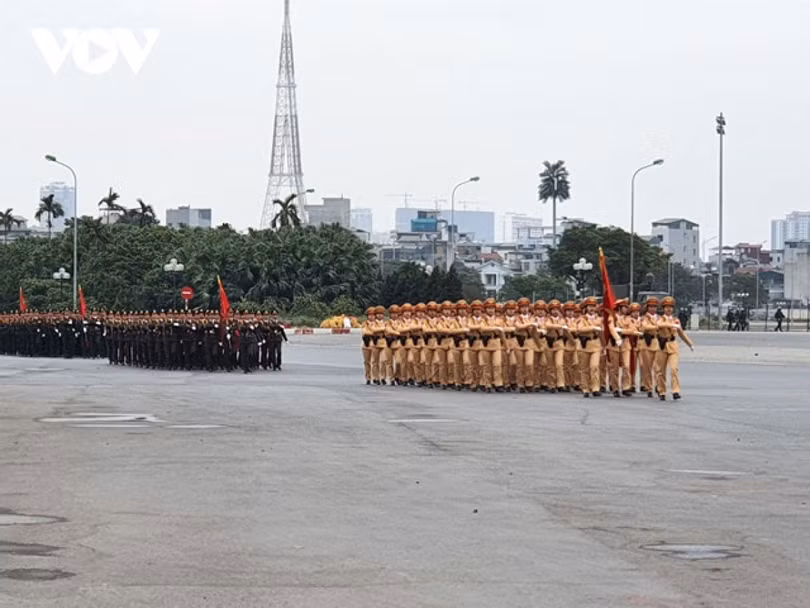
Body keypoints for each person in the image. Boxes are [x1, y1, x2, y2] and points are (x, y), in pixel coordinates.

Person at [654, 296, 695, 401]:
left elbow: (681, 333)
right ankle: (662, 391)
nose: (669, 309)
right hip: (662, 345)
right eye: (666, 307)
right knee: (660, 371)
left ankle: (675, 391)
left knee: (674, 369)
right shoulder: (660, 319)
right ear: (663, 308)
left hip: (673, 345)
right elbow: (659, 325)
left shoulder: (676, 320)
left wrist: (690, 344)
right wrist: (671, 324)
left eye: (671, 307)